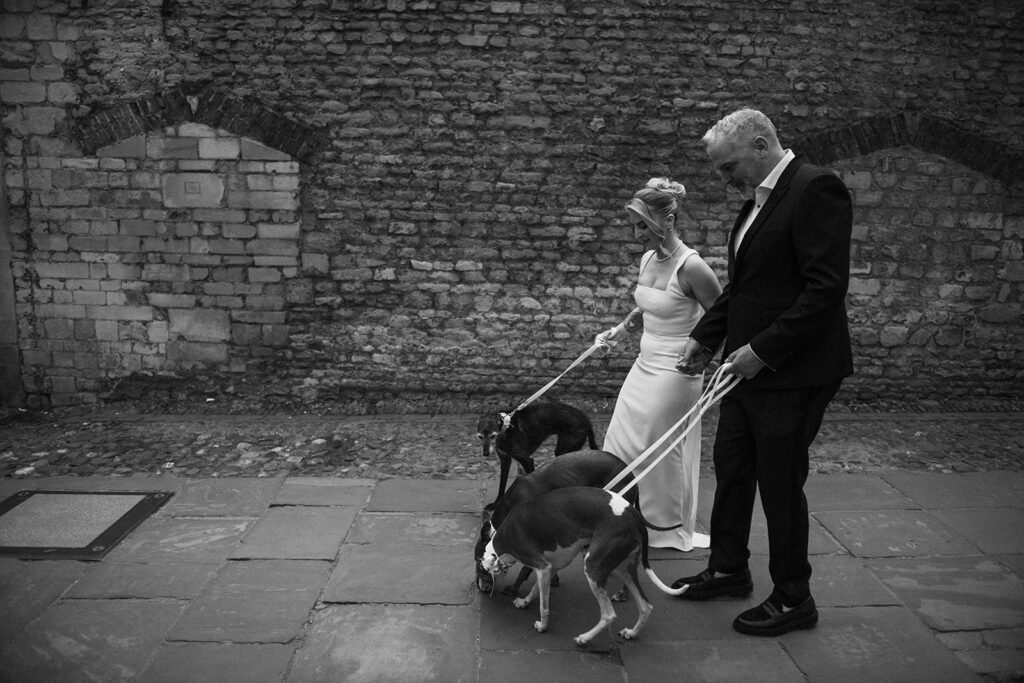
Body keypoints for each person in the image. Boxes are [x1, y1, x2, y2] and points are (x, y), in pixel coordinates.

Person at [671, 109, 853, 636]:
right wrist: (706, 337)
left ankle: (794, 596)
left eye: (728, 167)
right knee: (732, 467)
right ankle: (728, 568)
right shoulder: (759, 199)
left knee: (779, 482)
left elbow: (825, 289)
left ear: (759, 144)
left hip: (796, 371)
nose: (724, 179)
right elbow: (748, 286)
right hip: (747, 368)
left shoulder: (816, 189)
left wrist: (762, 351)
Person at [595, 177, 723, 552]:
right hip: (643, 364)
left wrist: (704, 355)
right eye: (634, 226)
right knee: (619, 440)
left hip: (675, 371)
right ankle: (622, 519)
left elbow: (724, 317)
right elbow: (648, 305)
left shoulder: (693, 267)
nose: (637, 235)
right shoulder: (648, 258)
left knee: (658, 447)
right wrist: (621, 328)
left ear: (667, 221)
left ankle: (665, 530)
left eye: (643, 226)